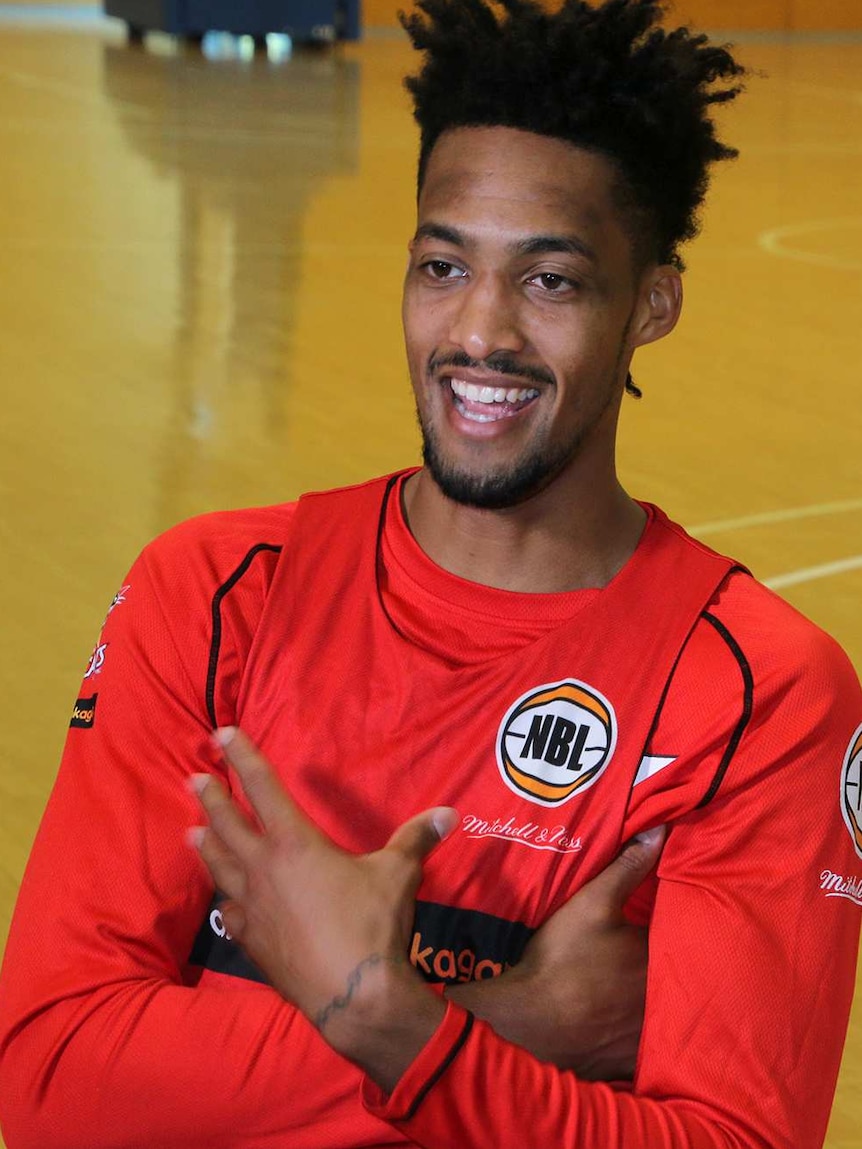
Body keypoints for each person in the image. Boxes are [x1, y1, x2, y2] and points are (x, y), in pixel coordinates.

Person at [1, 0, 861, 1146]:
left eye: (550, 281)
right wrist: (502, 1020)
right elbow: (50, 1079)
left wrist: (376, 1031)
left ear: (650, 305)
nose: (481, 332)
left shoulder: (759, 699)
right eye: (443, 265)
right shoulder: (212, 595)